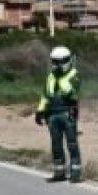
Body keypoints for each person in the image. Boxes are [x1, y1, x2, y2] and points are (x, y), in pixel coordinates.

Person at [35, 45, 83, 183]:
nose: (57, 65)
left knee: (72, 143)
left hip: (68, 111)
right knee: (56, 144)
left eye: (60, 61)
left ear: (67, 61)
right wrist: (40, 110)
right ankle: (59, 172)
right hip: (52, 114)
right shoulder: (50, 76)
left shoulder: (74, 74)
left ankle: (75, 173)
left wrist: (60, 76)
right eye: (54, 62)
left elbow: (70, 92)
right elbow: (45, 95)